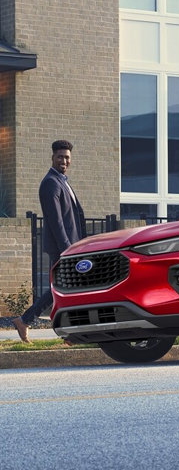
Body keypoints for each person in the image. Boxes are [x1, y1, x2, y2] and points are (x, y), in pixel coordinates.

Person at [13, 140, 86, 342]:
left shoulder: (62, 181)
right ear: (52, 158)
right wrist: (67, 249)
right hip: (61, 247)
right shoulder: (50, 183)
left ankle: (32, 322)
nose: (64, 160)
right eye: (60, 157)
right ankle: (31, 322)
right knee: (61, 289)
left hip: (70, 245)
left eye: (67, 157)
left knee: (64, 289)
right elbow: (56, 221)